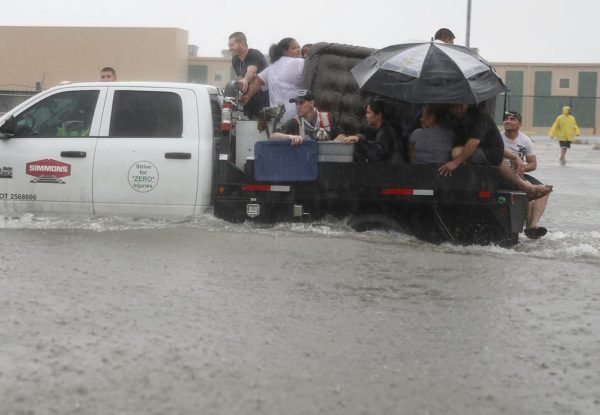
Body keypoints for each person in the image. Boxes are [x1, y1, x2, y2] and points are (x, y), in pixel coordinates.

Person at [438, 104, 553, 201]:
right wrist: (514, 157)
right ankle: (529, 189)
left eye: (461, 105)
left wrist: (455, 163)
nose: (458, 109)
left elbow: (476, 143)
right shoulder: (452, 119)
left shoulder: (478, 117)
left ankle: (533, 219)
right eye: (507, 119)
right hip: (496, 163)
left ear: (520, 124)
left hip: (495, 161)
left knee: (457, 153)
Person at [502, 111, 550, 239]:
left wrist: (522, 167)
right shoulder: (498, 138)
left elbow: (533, 164)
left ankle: (533, 226)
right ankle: (529, 227)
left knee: (545, 189)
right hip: (503, 174)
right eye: (506, 119)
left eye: (512, 119)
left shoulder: (525, 139)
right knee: (528, 191)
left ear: (520, 123)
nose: (508, 121)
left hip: (519, 174)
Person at [241, 37, 304, 123]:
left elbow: (258, 81)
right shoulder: (301, 63)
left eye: (299, 47)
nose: (298, 50)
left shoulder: (271, 67)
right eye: (294, 48)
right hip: (296, 117)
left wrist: (248, 96)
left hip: (276, 118)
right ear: (284, 51)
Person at [270, 89, 350, 146]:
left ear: (312, 103)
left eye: (301, 103)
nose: (298, 107)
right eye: (296, 104)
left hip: (327, 163)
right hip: (306, 164)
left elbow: (341, 135)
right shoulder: (294, 122)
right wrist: (291, 137)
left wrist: (335, 142)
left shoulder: (327, 118)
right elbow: (273, 136)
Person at [227, 32, 269, 120]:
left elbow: (252, 72)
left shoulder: (253, 54)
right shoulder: (235, 60)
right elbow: (240, 79)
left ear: (242, 44)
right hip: (249, 102)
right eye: (229, 46)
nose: (229, 49)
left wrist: (245, 80)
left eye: (232, 45)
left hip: (264, 102)